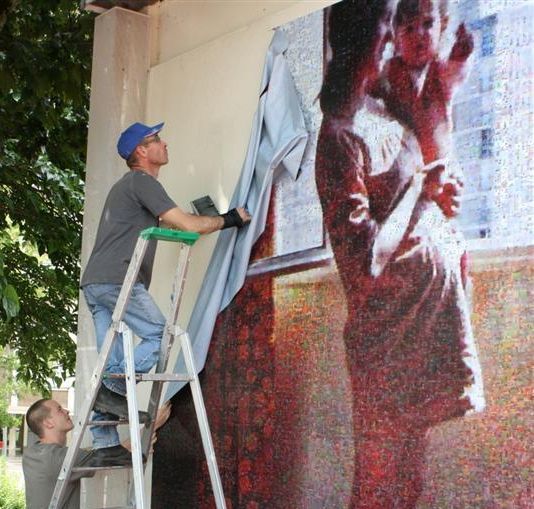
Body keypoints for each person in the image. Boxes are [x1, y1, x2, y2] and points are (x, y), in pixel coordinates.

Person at [315, 0, 484, 507]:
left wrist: (439, 192)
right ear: (363, 44)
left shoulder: (386, 112)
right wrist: (420, 190)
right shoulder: (338, 138)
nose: (394, 42)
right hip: (386, 342)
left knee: (407, 485)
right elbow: (365, 262)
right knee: (379, 485)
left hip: (420, 334)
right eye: (388, 30)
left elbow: (420, 184)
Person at [80, 122, 251, 460]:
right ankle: (112, 390)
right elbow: (186, 224)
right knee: (161, 334)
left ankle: (104, 444)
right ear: (141, 152)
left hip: (96, 283)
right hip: (118, 280)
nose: (164, 143)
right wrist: (231, 219)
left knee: (109, 361)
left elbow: (184, 225)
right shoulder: (142, 181)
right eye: (155, 140)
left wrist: (206, 222)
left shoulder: (127, 186)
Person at [22, 398, 171, 509]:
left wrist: (133, 447)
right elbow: (107, 457)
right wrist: (153, 423)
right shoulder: (55, 458)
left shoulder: (33, 453)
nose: (67, 411)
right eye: (60, 409)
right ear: (48, 423)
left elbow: (89, 454)